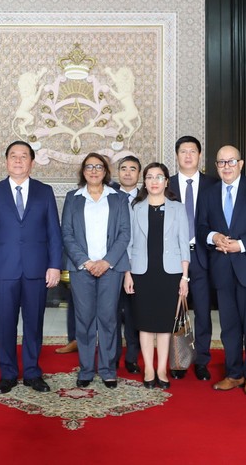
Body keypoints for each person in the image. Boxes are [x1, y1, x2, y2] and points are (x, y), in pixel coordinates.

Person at [0, 140, 63, 394]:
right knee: (5, 323)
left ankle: (32, 373)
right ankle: (7, 373)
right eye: (13, 156)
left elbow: (54, 233)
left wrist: (55, 265)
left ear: (32, 163)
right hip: (3, 270)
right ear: (6, 161)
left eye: (23, 156)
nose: (18, 160)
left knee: (34, 323)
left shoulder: (44, 191)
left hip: (37, 269)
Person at [197, 145, 246, 397]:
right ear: (216, 166)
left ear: (241, 164)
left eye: (231, 161)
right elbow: (200, 227)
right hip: (222, 269)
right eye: (221, 162)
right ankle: (234, 373)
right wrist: (214, 237)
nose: (226, 166)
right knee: (229, 326)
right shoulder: (209, 193)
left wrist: (240, 245)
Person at [62, 153, 131, 388]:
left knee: (109, 318)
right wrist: (86, 261)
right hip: (82, 269)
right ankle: (86, 369)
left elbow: (124, 234)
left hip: (110, 269)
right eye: (89, 167)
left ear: (105, 171)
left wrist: (106, 261)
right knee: (84, 319)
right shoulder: (73, 198)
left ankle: (108, 368)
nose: (93, 170)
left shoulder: (118, 198)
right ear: (83, 171)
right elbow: (67, 234)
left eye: (98, 167)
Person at [124, 162, 190, 389]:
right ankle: (149, 369)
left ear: (166, 181)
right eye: (150, 177)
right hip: (142, 273)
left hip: (169, 274)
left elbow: (184, 244)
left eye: (159, 177)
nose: (154, 181)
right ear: (145, 181)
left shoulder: (178, 209)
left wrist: (184, 277)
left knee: (163, 324)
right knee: (144, 324)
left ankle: (161, 368)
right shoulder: (136, 208)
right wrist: (127, 274)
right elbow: (129, 245)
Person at [168, 136, 219, 380]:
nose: (188, 156)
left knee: (202, 312)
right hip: (173, 257)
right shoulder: (166, 184)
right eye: (183, 151)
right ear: (176, 156)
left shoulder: (214, 184)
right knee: (173, 310)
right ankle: (177, 360)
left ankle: (202, 361)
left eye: (193, 151)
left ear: (200, 155)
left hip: (203, 256)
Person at [114, 155, 142, 374]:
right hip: (113, 264)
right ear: (117, 173)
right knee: (111, 312)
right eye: (123, 168)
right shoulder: (108, 196)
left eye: (133, 169)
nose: (127, 173)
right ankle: (112, 355)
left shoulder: (147, 196)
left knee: (134, 314)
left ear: (139, 174)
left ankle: (132, 356)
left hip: (139, 265)